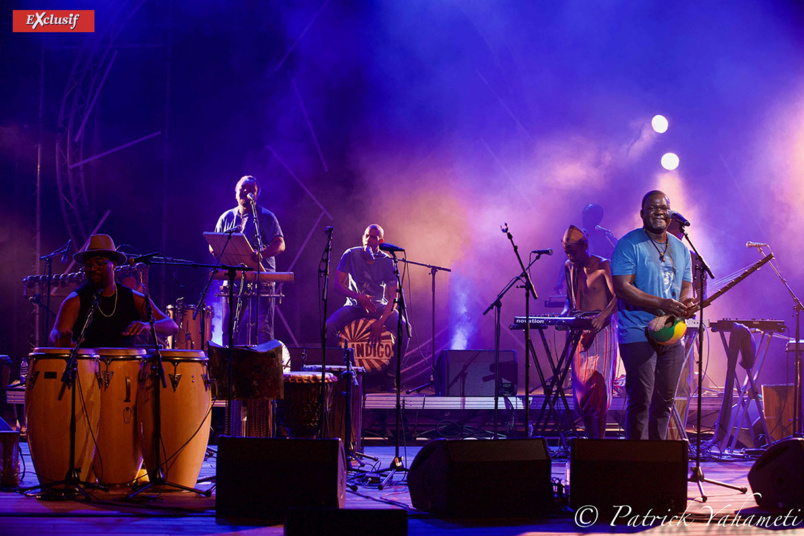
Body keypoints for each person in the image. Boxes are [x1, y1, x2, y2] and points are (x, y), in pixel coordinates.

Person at [611, 190, 694, 440]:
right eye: (652, 208)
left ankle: (658, 461)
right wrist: (662, 303)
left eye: (663, 208)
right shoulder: (629, 244)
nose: (659, 212)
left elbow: (687, 286)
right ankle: (637, 464)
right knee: (641, 400)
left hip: (671, 332)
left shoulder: (681, 248)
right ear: (642, 213)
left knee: (665, 401)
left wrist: (685, 304)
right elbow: (621, 287)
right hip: (638, 332)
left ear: (670, 214)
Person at [50, 234, 177, 348]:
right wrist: (60, 340)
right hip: (86, 370)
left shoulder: (132, 297)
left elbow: (172, 326)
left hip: (126, 371)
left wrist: (148, 326)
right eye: (89, 264)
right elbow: (56, 333)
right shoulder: (75, 300)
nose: (93, 268)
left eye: (100, 263)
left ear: (114, 264)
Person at [325, 224, 409, 392]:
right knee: (328, 327)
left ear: (381, 241)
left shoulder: (387, 261)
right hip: (354, 305)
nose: (368, 240)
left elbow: (393, 297)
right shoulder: (350, 255)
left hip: (378, 305)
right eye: (366, 236)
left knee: (404, 329)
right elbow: (337, 285)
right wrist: (358, 297)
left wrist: (381, 321)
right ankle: (343, 372)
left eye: (373, 237)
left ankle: (391, 376)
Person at [560, 225, 618, 439]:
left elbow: (617, 297)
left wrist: (602, 317)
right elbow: (569, 299)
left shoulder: (604, 265)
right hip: (579, 331)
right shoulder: (569, 266)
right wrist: (564, 314)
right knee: (580, 389)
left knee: (598, 385)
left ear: (585, 246)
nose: (570, 256)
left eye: (573, 251)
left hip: (601, 330)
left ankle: (599, 441)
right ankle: (589, 437)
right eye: (567, 252)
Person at [212, 175, 285, 344]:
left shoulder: (266, 217)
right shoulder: (226, 217)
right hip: (234, 280)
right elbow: (213, 243)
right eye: (243, 187)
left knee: (263, 329)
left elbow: (280, 245)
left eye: (252, 189)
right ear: (236, 192)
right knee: (229, 328)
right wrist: (218, 251)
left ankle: (263, 368)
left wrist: (262, 253)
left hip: (262, 279)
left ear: (257, 195)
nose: (246, 191)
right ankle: (229, 367)